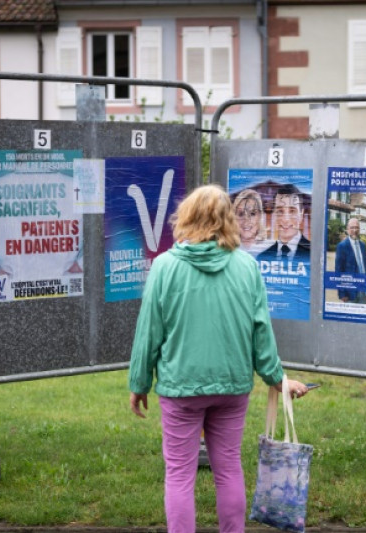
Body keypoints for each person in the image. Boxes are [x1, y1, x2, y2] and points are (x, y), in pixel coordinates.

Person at [128, 184, 308, 533]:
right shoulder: (246, 267)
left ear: (186, 217)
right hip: (231, 387)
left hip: (180, 388)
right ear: (228, 219)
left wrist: (139, 383)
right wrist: (276, 378)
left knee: (179, 474)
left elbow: (148, 331)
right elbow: (261, 333)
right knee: (228, 469)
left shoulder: (164, 267)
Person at [256, 184, 311, 262]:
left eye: (292, 211)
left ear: (301, 215)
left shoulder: (313, 253)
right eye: (280, 211)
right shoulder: (262, 258)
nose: (286, 219)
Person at [334, 217, 366, 302]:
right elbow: (338, 271)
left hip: (363, 290)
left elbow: (365, 266)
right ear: (347, 230)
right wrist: (342, 293)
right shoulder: (342, 246)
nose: (355, 230)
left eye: (357, 227)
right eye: (352, 227)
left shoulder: (363, 246)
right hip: (349, 293)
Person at [232, 189, 270, 256]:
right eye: (241, 214)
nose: (246, 220)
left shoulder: (269, 250)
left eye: (252, 214)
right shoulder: (227, 249)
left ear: (259, 216)